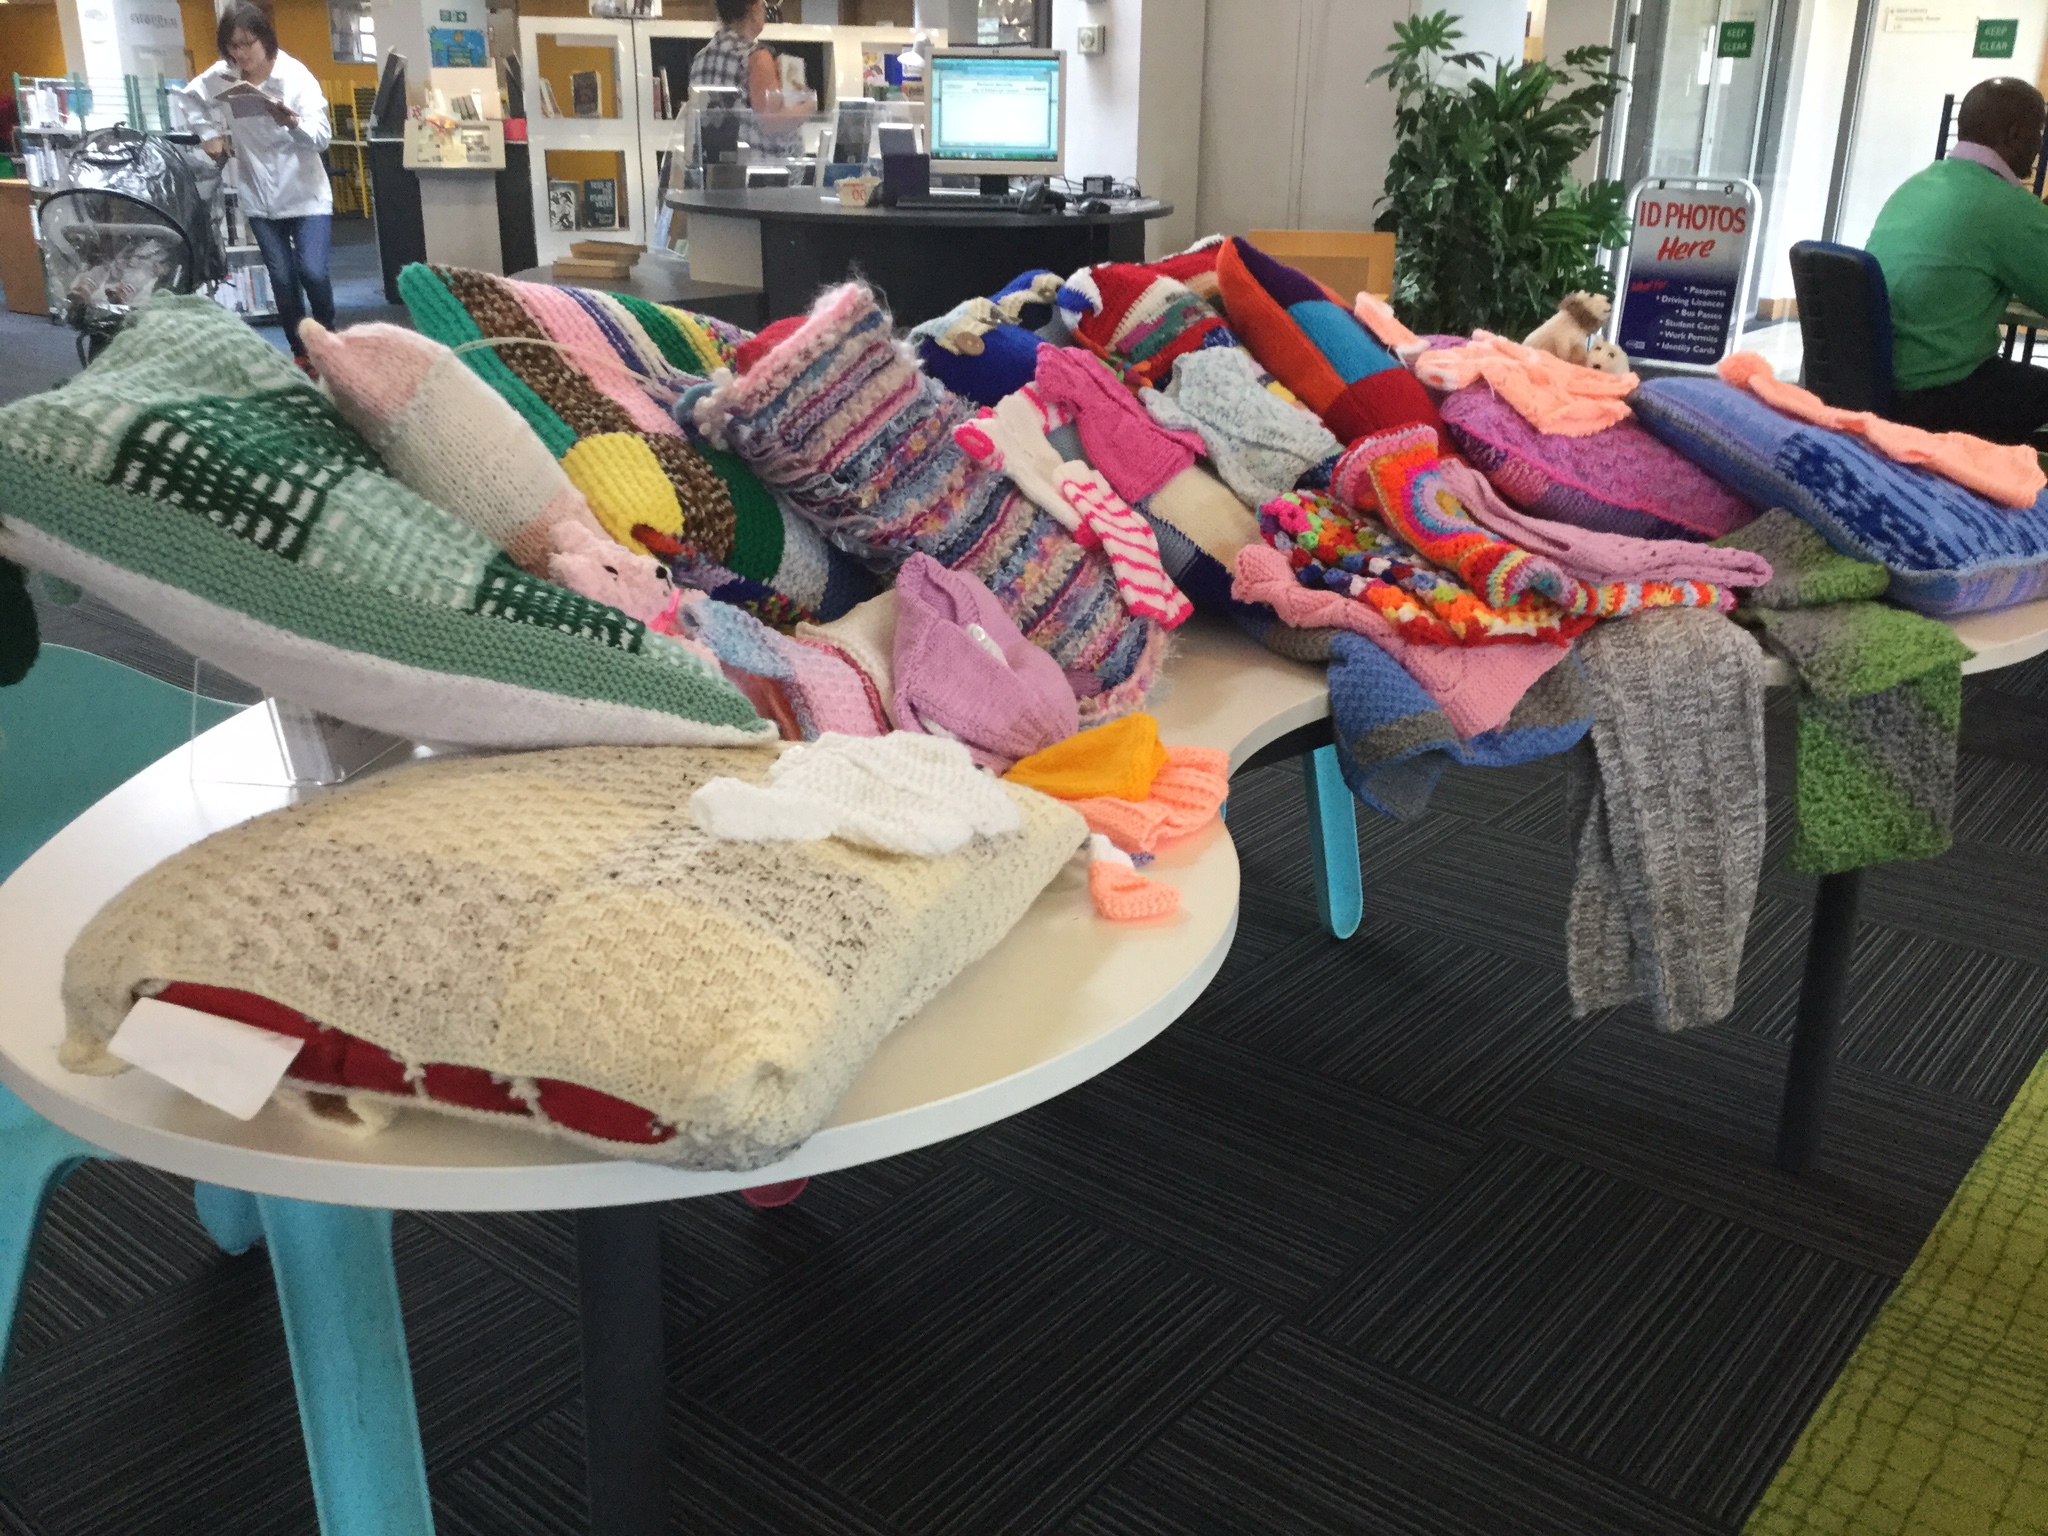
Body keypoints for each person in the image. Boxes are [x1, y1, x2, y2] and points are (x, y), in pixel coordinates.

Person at [1865, 77, 2048, 444]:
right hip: (1941, 396)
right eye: (2038, 133)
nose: (2039, 145)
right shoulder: (2008, 206)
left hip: (1877, 382)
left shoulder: (1915, 185)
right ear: (2015, 134)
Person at [180, 2, 334, 375]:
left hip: (306, 193)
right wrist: (209, 134)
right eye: (233, 46)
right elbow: (189, 99)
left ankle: (329, 345)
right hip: (259, 195)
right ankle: (300, 352)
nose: (241, 54)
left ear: (266, 39)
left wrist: (292, 123)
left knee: (313, 272)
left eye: (248, 44)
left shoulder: (295, 77)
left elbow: (321, 138)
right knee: (282, 278)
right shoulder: (223, 75)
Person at [687, 0, 813, 158]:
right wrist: (809, 104)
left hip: (713, 165)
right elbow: (773, 121)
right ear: (753, 9)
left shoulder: (700, 58)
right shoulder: (756, 56)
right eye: (763, 4)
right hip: (758, 167)